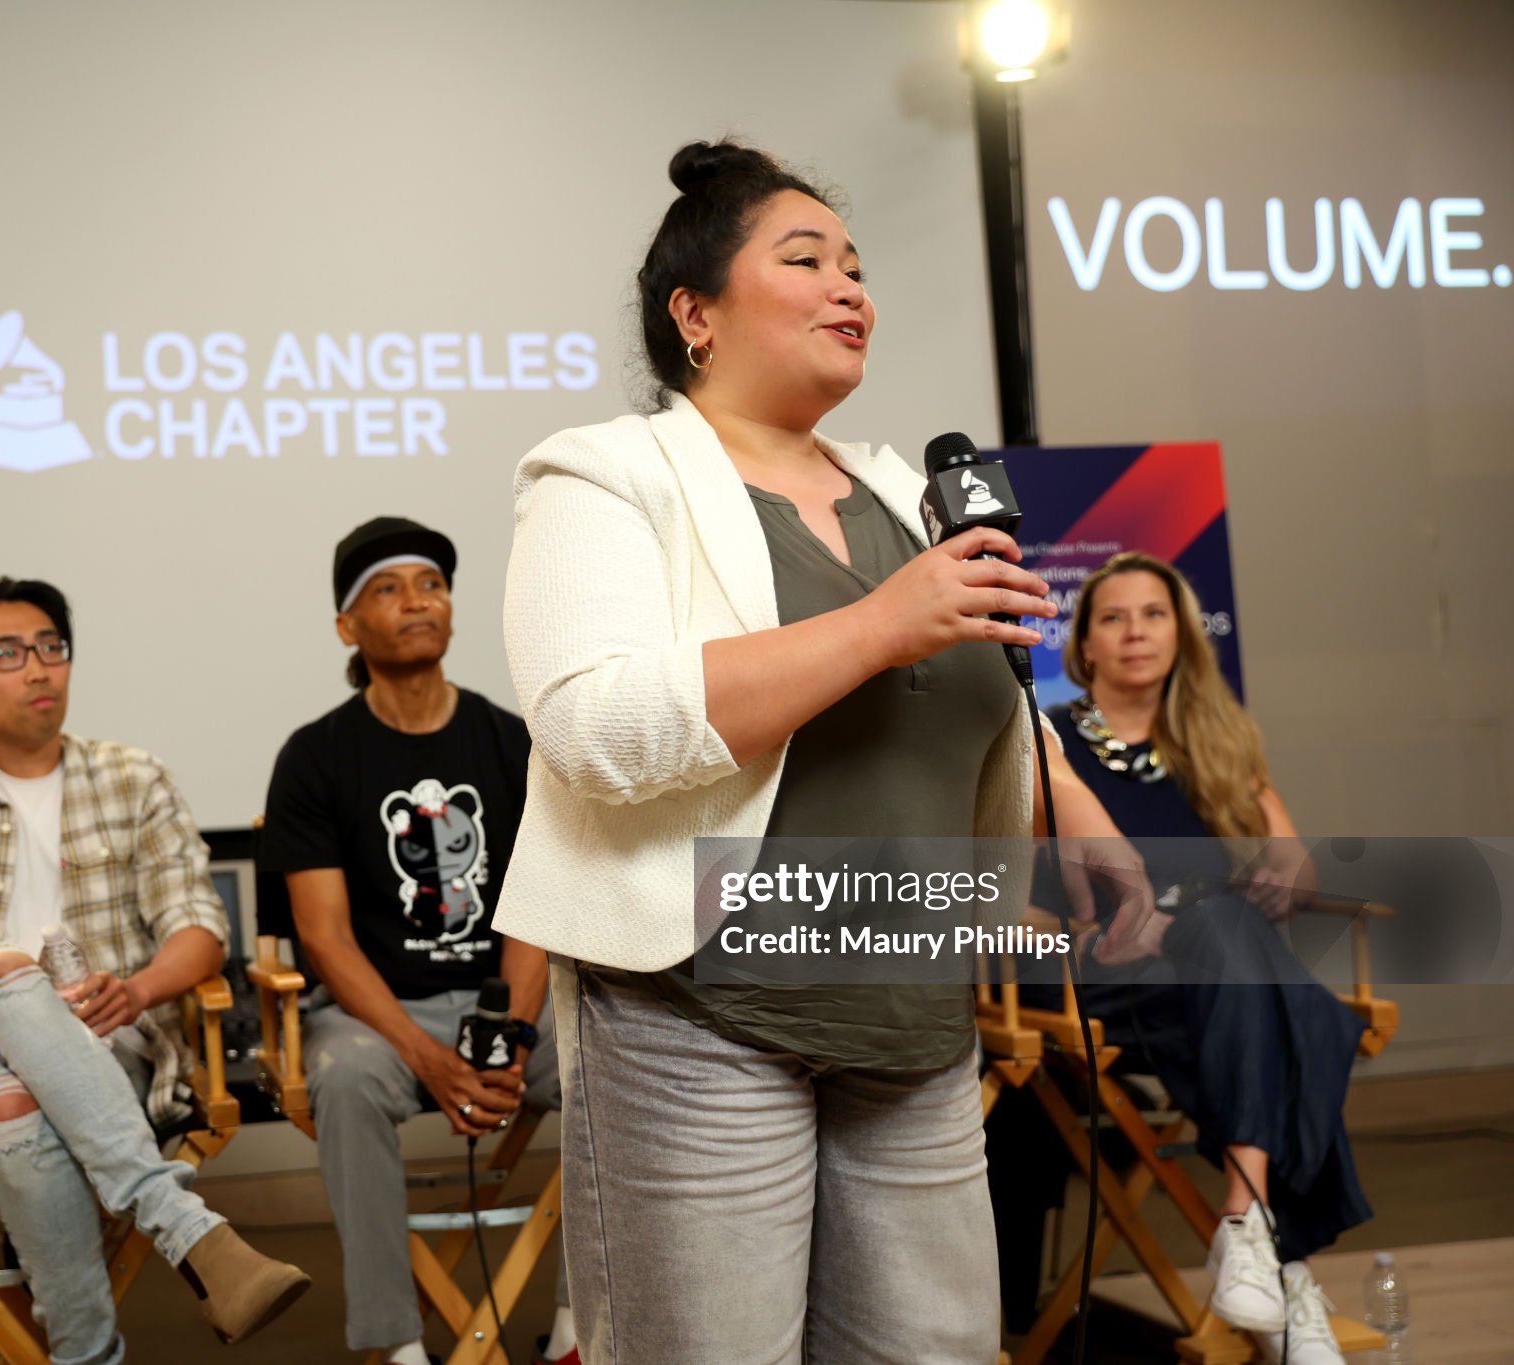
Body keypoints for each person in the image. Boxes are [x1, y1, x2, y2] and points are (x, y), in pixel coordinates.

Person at [496, 140, 1149, 1364]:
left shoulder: (907, 495)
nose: (850, 287)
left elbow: (967, 696)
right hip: (703, 1014)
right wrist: (873, 623)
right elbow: (592, 728)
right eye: (805, 261)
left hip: (913, 1012)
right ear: (694, 313)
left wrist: (1082, 816)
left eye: (855, 264)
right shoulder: (601, 476)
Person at [0, 576, 309, 1365]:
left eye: (52, 647)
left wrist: (140, 989)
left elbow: (199, 926)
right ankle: (189, 1228)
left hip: (103, 1048)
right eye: (9, 653)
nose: (40, 668)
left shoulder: (135, 778)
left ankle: (86, 1356)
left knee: (13, 1102)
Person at [1042, 551, 1369, 1365]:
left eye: (1153, 614)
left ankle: (1250, 1232)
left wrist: (1280, 876)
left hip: (1214, 983)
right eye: (1112, 617)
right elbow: (1009, 888)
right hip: (1108, 971)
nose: (1135, 632)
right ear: (1082, 646)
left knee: (1235, 940)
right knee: (1310, 1017)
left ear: (1182, 634)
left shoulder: (1219, 741)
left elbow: (1297, 864)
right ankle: (1279, 1264)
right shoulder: (1047, 747)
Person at [261, 517, 574, 1365]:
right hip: (372, 1014)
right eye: (387, 589)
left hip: (503, 996)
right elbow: (323, 939)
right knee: (347, 1076)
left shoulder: (512, 741)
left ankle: (589, 1324)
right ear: (346, 626)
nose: (417, 601)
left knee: (602, 1061)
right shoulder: (316, 757)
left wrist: (511, 1032)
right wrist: (423, 1053)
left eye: (431, 583)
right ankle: (395, 1342)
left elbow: (537, 905)